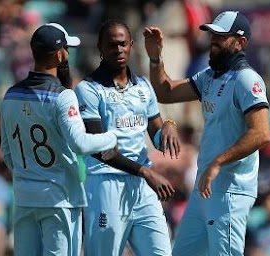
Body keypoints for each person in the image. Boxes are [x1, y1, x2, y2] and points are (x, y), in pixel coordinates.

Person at [144, 10, 270, 255]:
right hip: (204, 189)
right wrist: (155, 58)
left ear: (240, 42)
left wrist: (218, 162)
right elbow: (166, 92)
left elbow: (262, 133)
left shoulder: (246, 79)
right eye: (212, 34)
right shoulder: (210, 77)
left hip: (230, 192)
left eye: (221, 36)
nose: (213, 40)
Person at [0, 22, 119, 256]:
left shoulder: (10, 95)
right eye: (67, 49)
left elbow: (7, 152)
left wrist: (30, 175)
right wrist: (111, 137)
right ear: (60, 54)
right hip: (59, 200)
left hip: (24, 197)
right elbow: (80, 143)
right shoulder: (63, 97)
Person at [74, 20, 179, 256]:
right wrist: (145, 172)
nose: (118, 50)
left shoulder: (143, 85)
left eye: (122, 44)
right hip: (106, 185)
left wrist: (169, 125)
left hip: (142, 189)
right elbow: (100, 149)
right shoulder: (88, 89)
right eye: (111, 45)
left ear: (131, 45)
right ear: (100, 47)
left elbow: (157, 135)